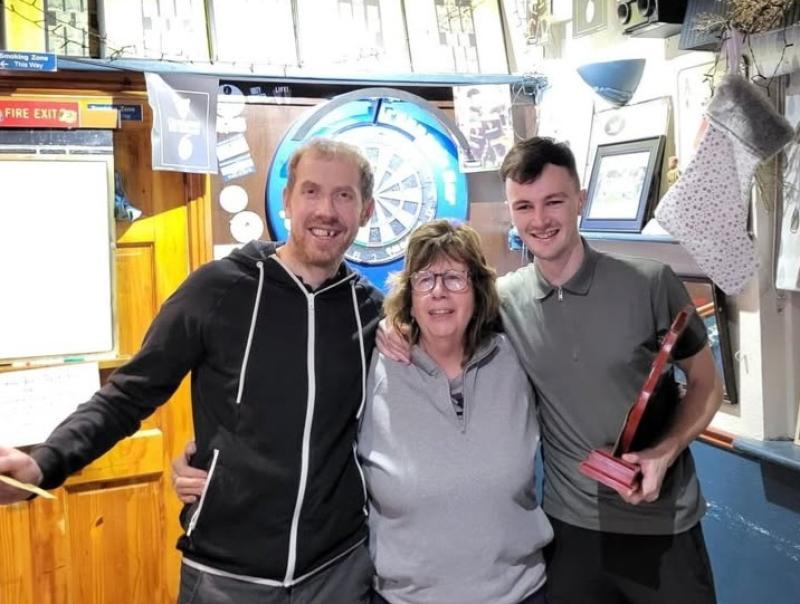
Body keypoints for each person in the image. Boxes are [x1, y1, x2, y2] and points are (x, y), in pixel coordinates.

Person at [0, 138, 383, 604]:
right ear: (287, 200)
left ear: (366, 211)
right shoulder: (219, 289)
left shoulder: (373, 313)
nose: (326, 209)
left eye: (344, 195)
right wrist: (43, 462)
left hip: (337, 572)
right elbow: (128, 394)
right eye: (311, 191)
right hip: (225, 574)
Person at [378, 137, 722, 604]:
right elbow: (442, 310)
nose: (539, 220)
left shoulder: (650, 284)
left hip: (665, 526)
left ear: (580, 200)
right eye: (524, 206)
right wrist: (394, 322)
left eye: (553, 202)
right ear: (511, 212)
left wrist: (663, 453)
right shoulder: (503, 300)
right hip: (569, 534)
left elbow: (706, 384)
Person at [175, 220, 553, 604]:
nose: (439, 292)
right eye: (425, 279)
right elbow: (298, 423)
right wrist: (213, 452)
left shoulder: (517, 356)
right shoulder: (374, 359)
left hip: (519, 594)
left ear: (477, 289)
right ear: (409, 295)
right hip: (402, 598)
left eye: (455, 278)